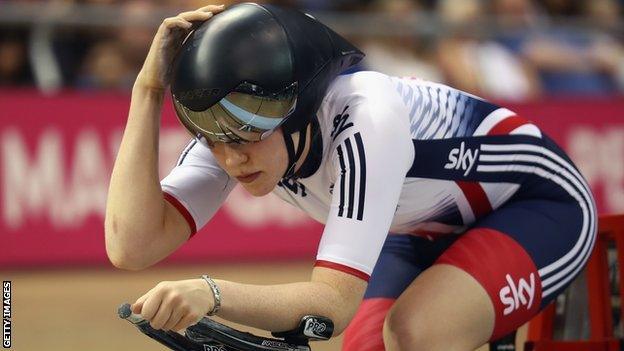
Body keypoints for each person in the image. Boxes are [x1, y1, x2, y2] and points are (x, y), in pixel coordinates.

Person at [104, 3, 597, 350]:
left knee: (418, 334)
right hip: (421, 228)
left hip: (540, 204)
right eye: (215, 141)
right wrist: (147, 90)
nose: (231, 159)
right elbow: (132, 246)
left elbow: (332, 306)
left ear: (297, 114)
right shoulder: (243, 127)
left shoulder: (366, 116)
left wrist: (211, 294)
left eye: (243, 139)